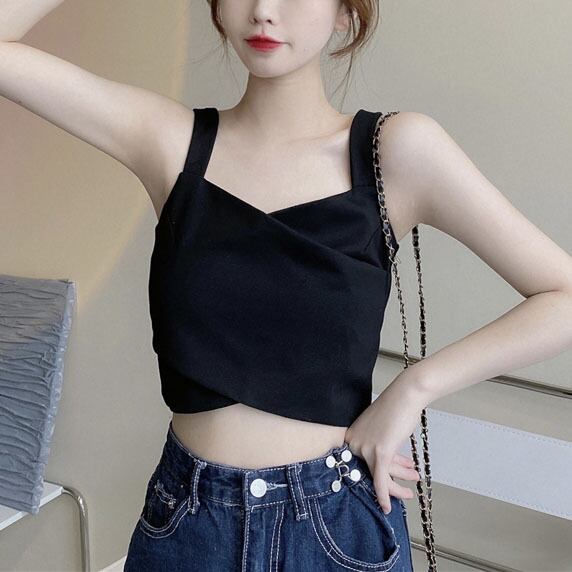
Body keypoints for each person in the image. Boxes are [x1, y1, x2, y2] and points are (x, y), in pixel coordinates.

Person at [3, 2, 572, 571]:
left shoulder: (395, 151)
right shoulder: (169, 142)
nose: (264, 11)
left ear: (345, 13)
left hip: (336, 529)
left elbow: (563, 296)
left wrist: (413, 388)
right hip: (189, 526)